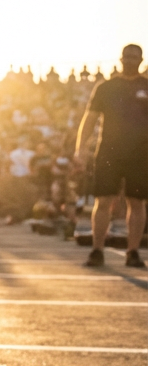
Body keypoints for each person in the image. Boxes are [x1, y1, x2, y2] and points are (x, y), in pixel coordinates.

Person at [75, 44, 147, 267]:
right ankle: (97, 250)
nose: (130, 61)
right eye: (127, 57)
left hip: (141, 153)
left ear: (142, 60)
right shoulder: (105, 88)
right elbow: (90, 119)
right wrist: (80, 148)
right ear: (120, 59)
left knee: (137, 202)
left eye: (135, 57)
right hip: (109, 151)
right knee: (103, 200)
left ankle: (132, 252)